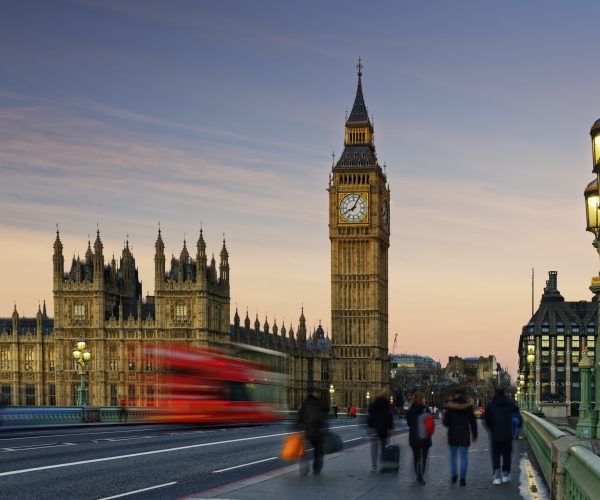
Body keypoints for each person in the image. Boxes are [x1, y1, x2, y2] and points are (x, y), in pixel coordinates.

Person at [443, 387, 478, 487]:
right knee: (464, 457)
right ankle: (462, 479)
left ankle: (454, 474)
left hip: (453, 435)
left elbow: (445, 422)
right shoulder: (468, 407)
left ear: (455, 395)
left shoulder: (451, 407)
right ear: (464, 395)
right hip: (464, 434)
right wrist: (474, 434)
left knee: (453, 456)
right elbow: (473, 422)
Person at [485, 388, 520, 484]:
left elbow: (486, 419)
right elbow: (516, 409)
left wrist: (491, 428)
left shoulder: (491, 405)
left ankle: (496, 475)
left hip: (495, 434)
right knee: (507, 455)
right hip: (507, 434)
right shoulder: (508, 403)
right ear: (504, 393)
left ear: (495, 393)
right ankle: (505, 474)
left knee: (495, 454)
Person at [297, 387, 328, 475]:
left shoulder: (305, 403)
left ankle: (304, 469)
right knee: (318, 451)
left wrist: (297, 427)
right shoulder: (319, 403)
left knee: (304, 451)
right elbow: (325, 413)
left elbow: (300, 417)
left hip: (308, 430)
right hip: (318, 431)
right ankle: (316, 469)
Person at [406, 392, 432, 485]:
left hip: (414, 436)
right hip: (425, 436)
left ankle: (418, 475)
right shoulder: (426, 410)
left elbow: (409, 423)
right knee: (423, 457)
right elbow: (430, 423)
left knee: (416, 456)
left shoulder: (410, 410)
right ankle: (421, 475)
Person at [367, 388, 394, 472]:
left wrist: (370, 425)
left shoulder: (373, 403)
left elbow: (369, 413)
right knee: (384, 447)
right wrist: (391, 427)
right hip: (383, 428)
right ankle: (383, 465)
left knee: (374, 448)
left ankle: (374, 467)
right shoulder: (386, 403)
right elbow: (389, 416)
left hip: (374, 428)